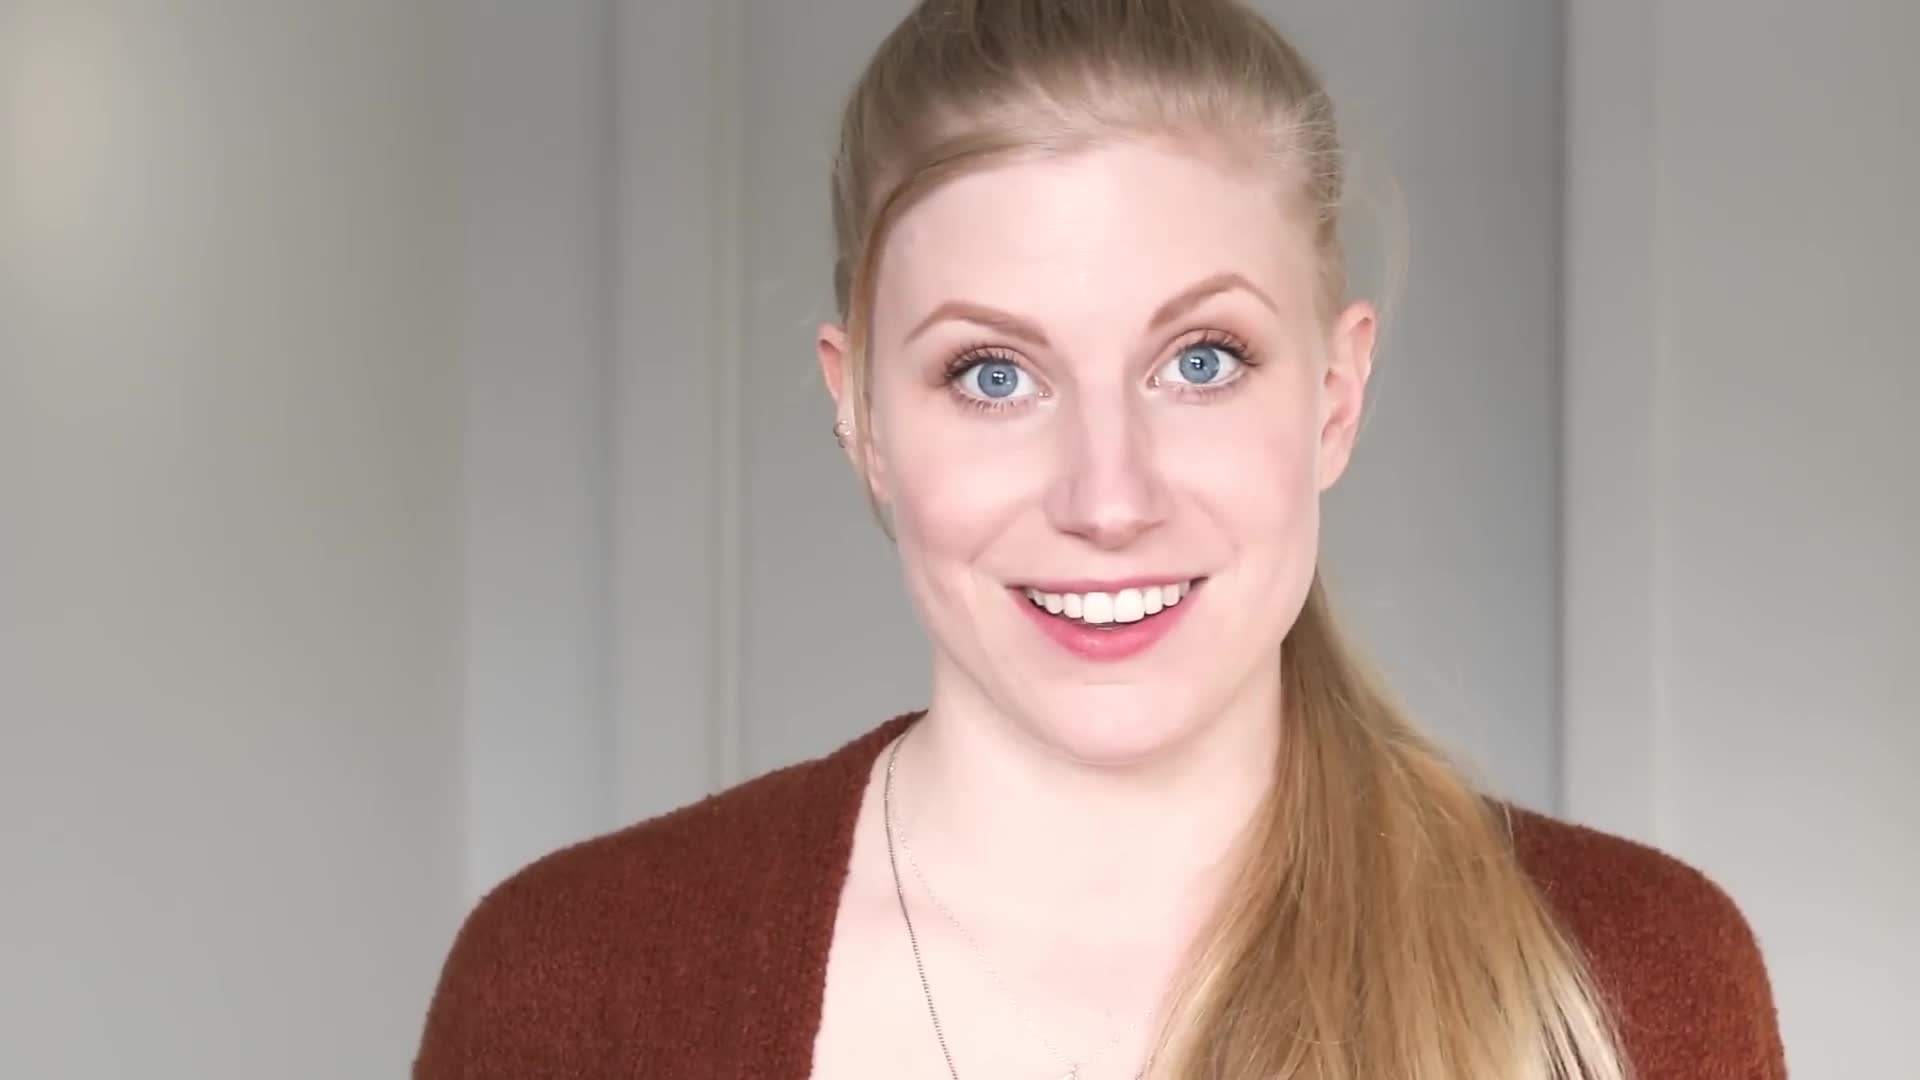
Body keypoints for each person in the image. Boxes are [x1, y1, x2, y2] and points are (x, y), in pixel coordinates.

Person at [414, 2, 1786, 1077]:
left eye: (1201, 359)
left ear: (1334, 395)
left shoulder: (1634, 980)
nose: (1108, 496)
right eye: (993, 375)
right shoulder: (576, 981)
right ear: (860, 412)